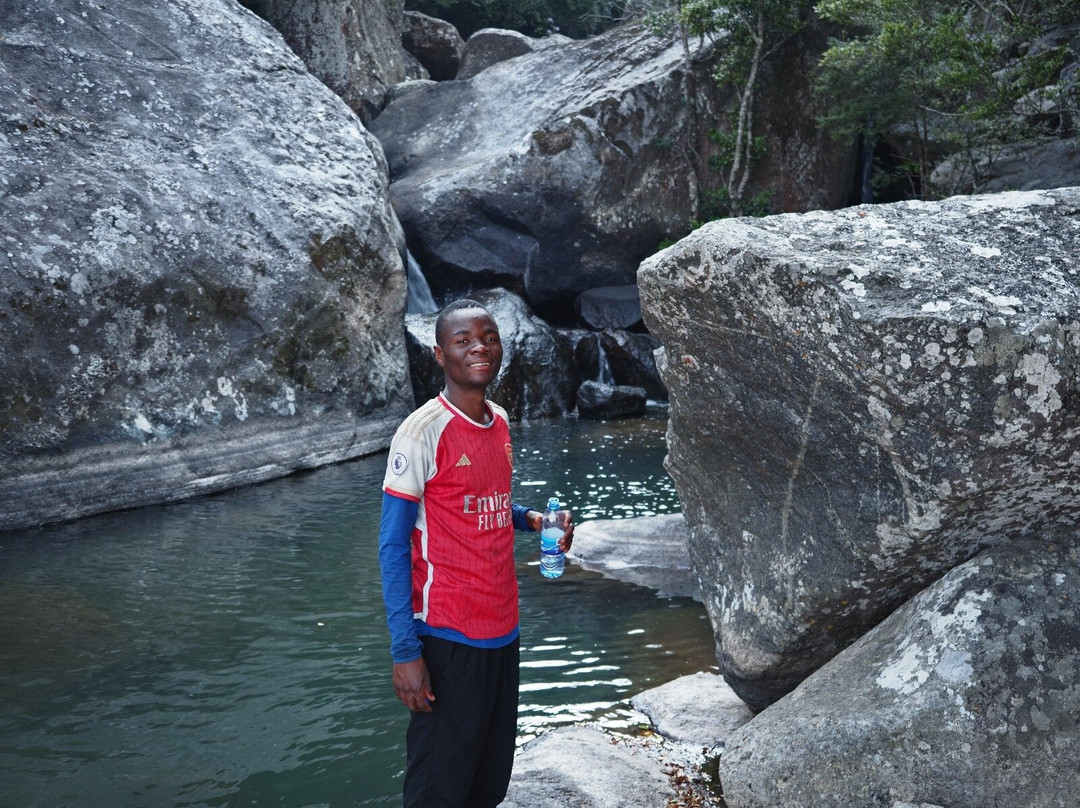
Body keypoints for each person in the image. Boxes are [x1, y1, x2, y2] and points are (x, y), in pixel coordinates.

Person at [378, 298, 574, 808]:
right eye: (462, 340)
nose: (478, 347)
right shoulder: (421, 432)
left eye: (488, 337)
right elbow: (393, 545)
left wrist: (532, 519)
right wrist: (406, 653)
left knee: (488, 780)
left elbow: (486, 503)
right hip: (446, 635)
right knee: (437, 788)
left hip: (502, 629)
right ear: (440, 355)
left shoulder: (501, 421)